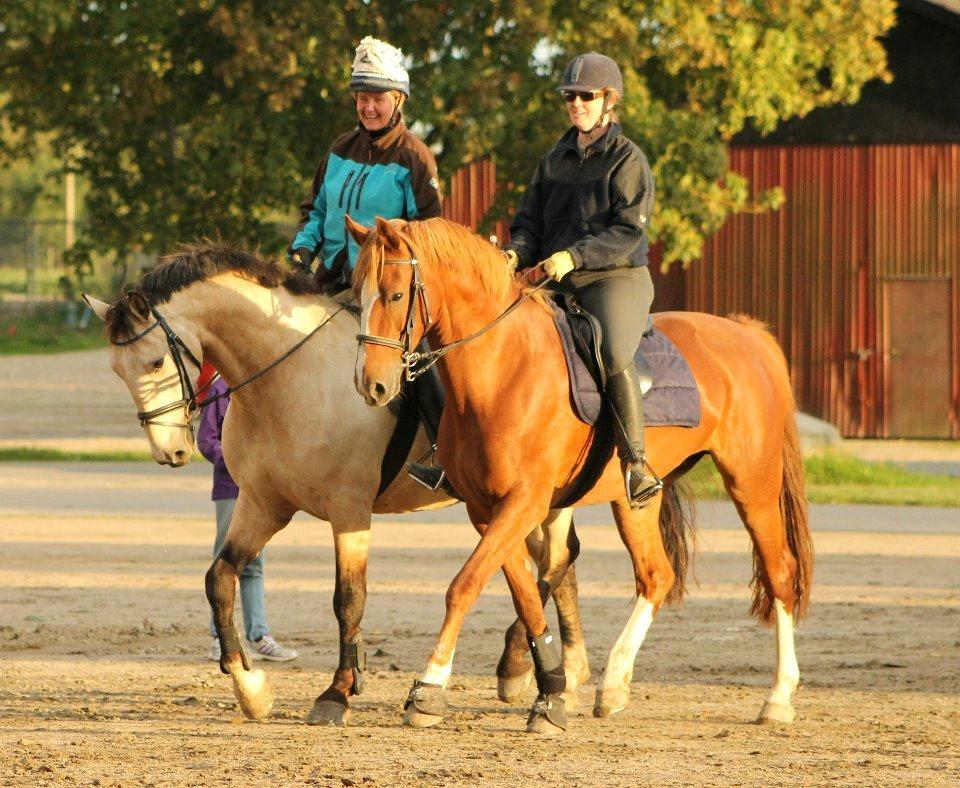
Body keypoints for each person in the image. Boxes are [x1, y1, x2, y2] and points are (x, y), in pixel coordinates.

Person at [287, 36, 447, 491]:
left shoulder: (415, 157)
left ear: (399, 101)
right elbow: (316, 211)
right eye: (362, 98)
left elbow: (431, 233)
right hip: (330, 282)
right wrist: (301, 252)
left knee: (422, 362)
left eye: (378, 98)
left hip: (387, 292)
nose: (369, 107)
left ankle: (444, 456)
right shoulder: (339, 149)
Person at [503, 52, 662, 508]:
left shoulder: (627, 158)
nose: (576, 103)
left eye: (586, 96)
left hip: (615, 277)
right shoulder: (553, 160)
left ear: (609, 101)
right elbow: (529, 222)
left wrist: (574, 256)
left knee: (611, 349)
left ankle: (635, 463)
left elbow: (628, 230)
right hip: (557, 278)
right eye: (569, 96)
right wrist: (516, 251)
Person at [199, 376, 299, 662]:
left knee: (254, 564)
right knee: (225, 560)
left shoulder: (263, 387)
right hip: (231, 489)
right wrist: (239, 461)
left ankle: (258, 635)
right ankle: (220, 636)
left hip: (260, 490)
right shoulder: (220, 389)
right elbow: (206, 440)